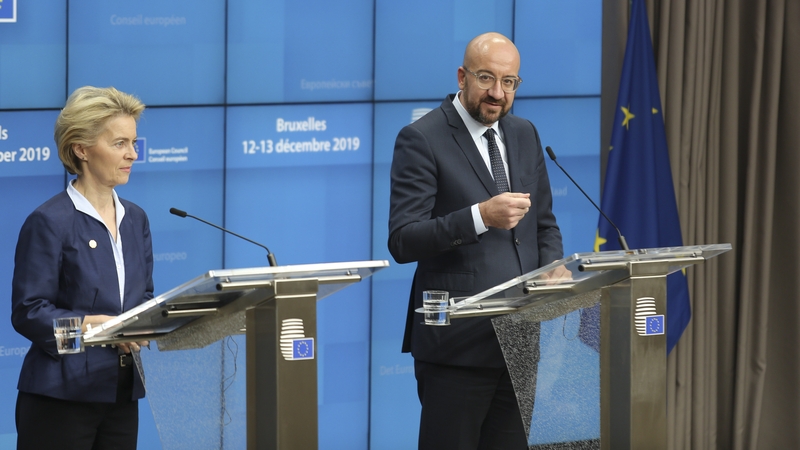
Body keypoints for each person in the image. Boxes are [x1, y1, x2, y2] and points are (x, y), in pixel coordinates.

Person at [388, 32, 568, 449]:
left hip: (521, 339)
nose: (497, 93)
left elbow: (543, 224)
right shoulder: (422, 138)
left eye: (509, 83)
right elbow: (402, 240)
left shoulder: (524, 134)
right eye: (486, 78)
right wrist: (479, 217)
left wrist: (552, 267)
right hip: (457, 344)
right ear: (462, 76)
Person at [11, 86, 153, 450]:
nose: (133, 154)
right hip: (60, 396)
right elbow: (28, 313)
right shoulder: (49, 221)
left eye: (135, 143)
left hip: (122, 394)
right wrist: (93, 329)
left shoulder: (135, 219)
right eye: (120, 143)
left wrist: (145, 325)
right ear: (81, 148)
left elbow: (143, 296)